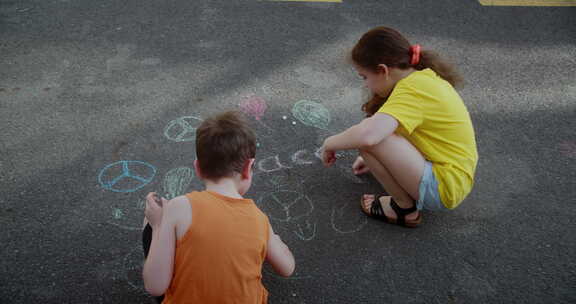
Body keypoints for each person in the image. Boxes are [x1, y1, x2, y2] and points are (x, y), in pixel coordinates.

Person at [320, 26, 478, 227]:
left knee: (371, 138)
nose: (366, 85)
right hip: (452, 177)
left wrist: (329, 144)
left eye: (364, 77)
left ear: (383, 70)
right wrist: (382, 160)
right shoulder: (421, 79)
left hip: (443, 187)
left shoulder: (413, 91)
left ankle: (404, 209)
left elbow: (369, 135)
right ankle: (405, 192)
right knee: (375, 135)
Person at [141, 111, 295, 303]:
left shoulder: (179, 207)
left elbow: (155, 286)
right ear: (249, 168)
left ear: (197, 168)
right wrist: (275, 240)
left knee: (152, 217)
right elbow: (287, 267)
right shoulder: (259, 219)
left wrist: (157, 226)